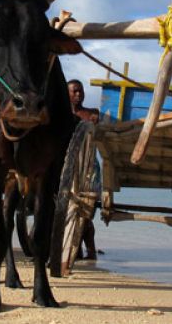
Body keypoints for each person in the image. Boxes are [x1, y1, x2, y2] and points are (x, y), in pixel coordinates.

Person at [67, 79, 101, 259]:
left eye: (80, 91)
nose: (78, 94)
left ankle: (91, 251)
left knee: (86, 213)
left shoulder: (92, 114)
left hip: (89, 169)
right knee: (70, 211)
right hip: (68, 170)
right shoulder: (61, 115)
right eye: (74, 91)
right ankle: (76, 250)